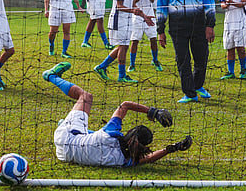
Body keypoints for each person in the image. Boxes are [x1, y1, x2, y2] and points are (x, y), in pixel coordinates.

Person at [42, 61, 193, 167]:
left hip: (65, 136)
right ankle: (68, 124)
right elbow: (149, 159)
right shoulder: (125, 161)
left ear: (132, 132)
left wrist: (153, 112)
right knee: (90, 138)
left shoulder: (110, 134)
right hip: (63, 155)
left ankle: (51, 76)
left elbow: (124, 105)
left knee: (86, 97)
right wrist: (172, 148)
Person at [156, 0, 216, 103]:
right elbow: (161, 7)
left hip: (199, 25)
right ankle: (190, 94)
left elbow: (209, 3)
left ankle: (197, 86)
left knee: (201, 58)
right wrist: (160, 30)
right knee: (182, 60)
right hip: (177, 26)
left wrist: (210, 25)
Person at [94, 0, 154, 83]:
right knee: (123, 46)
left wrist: (144, 16)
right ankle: (121, 75)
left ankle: (102, 67)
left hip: (128, 20)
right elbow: (119, 6)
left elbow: (132, 4)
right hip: (118, 20)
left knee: (124, 46)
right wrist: (133, 11)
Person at [128, 0, 163, 72]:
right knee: (135, 41)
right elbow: (132, 2)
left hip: (150, 15)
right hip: (137, 16)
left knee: (153, 39)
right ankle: (132, 64)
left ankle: (155, 60)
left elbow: (152, 0)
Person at [219, 0, 246, 80]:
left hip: (240, 22)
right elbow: (222, 4)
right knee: (229, 47)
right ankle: (230, 72)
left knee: (240, 47)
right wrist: (225, 4)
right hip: (228, 22)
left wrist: (232, 2)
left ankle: (243, 70)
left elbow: (243, 3)